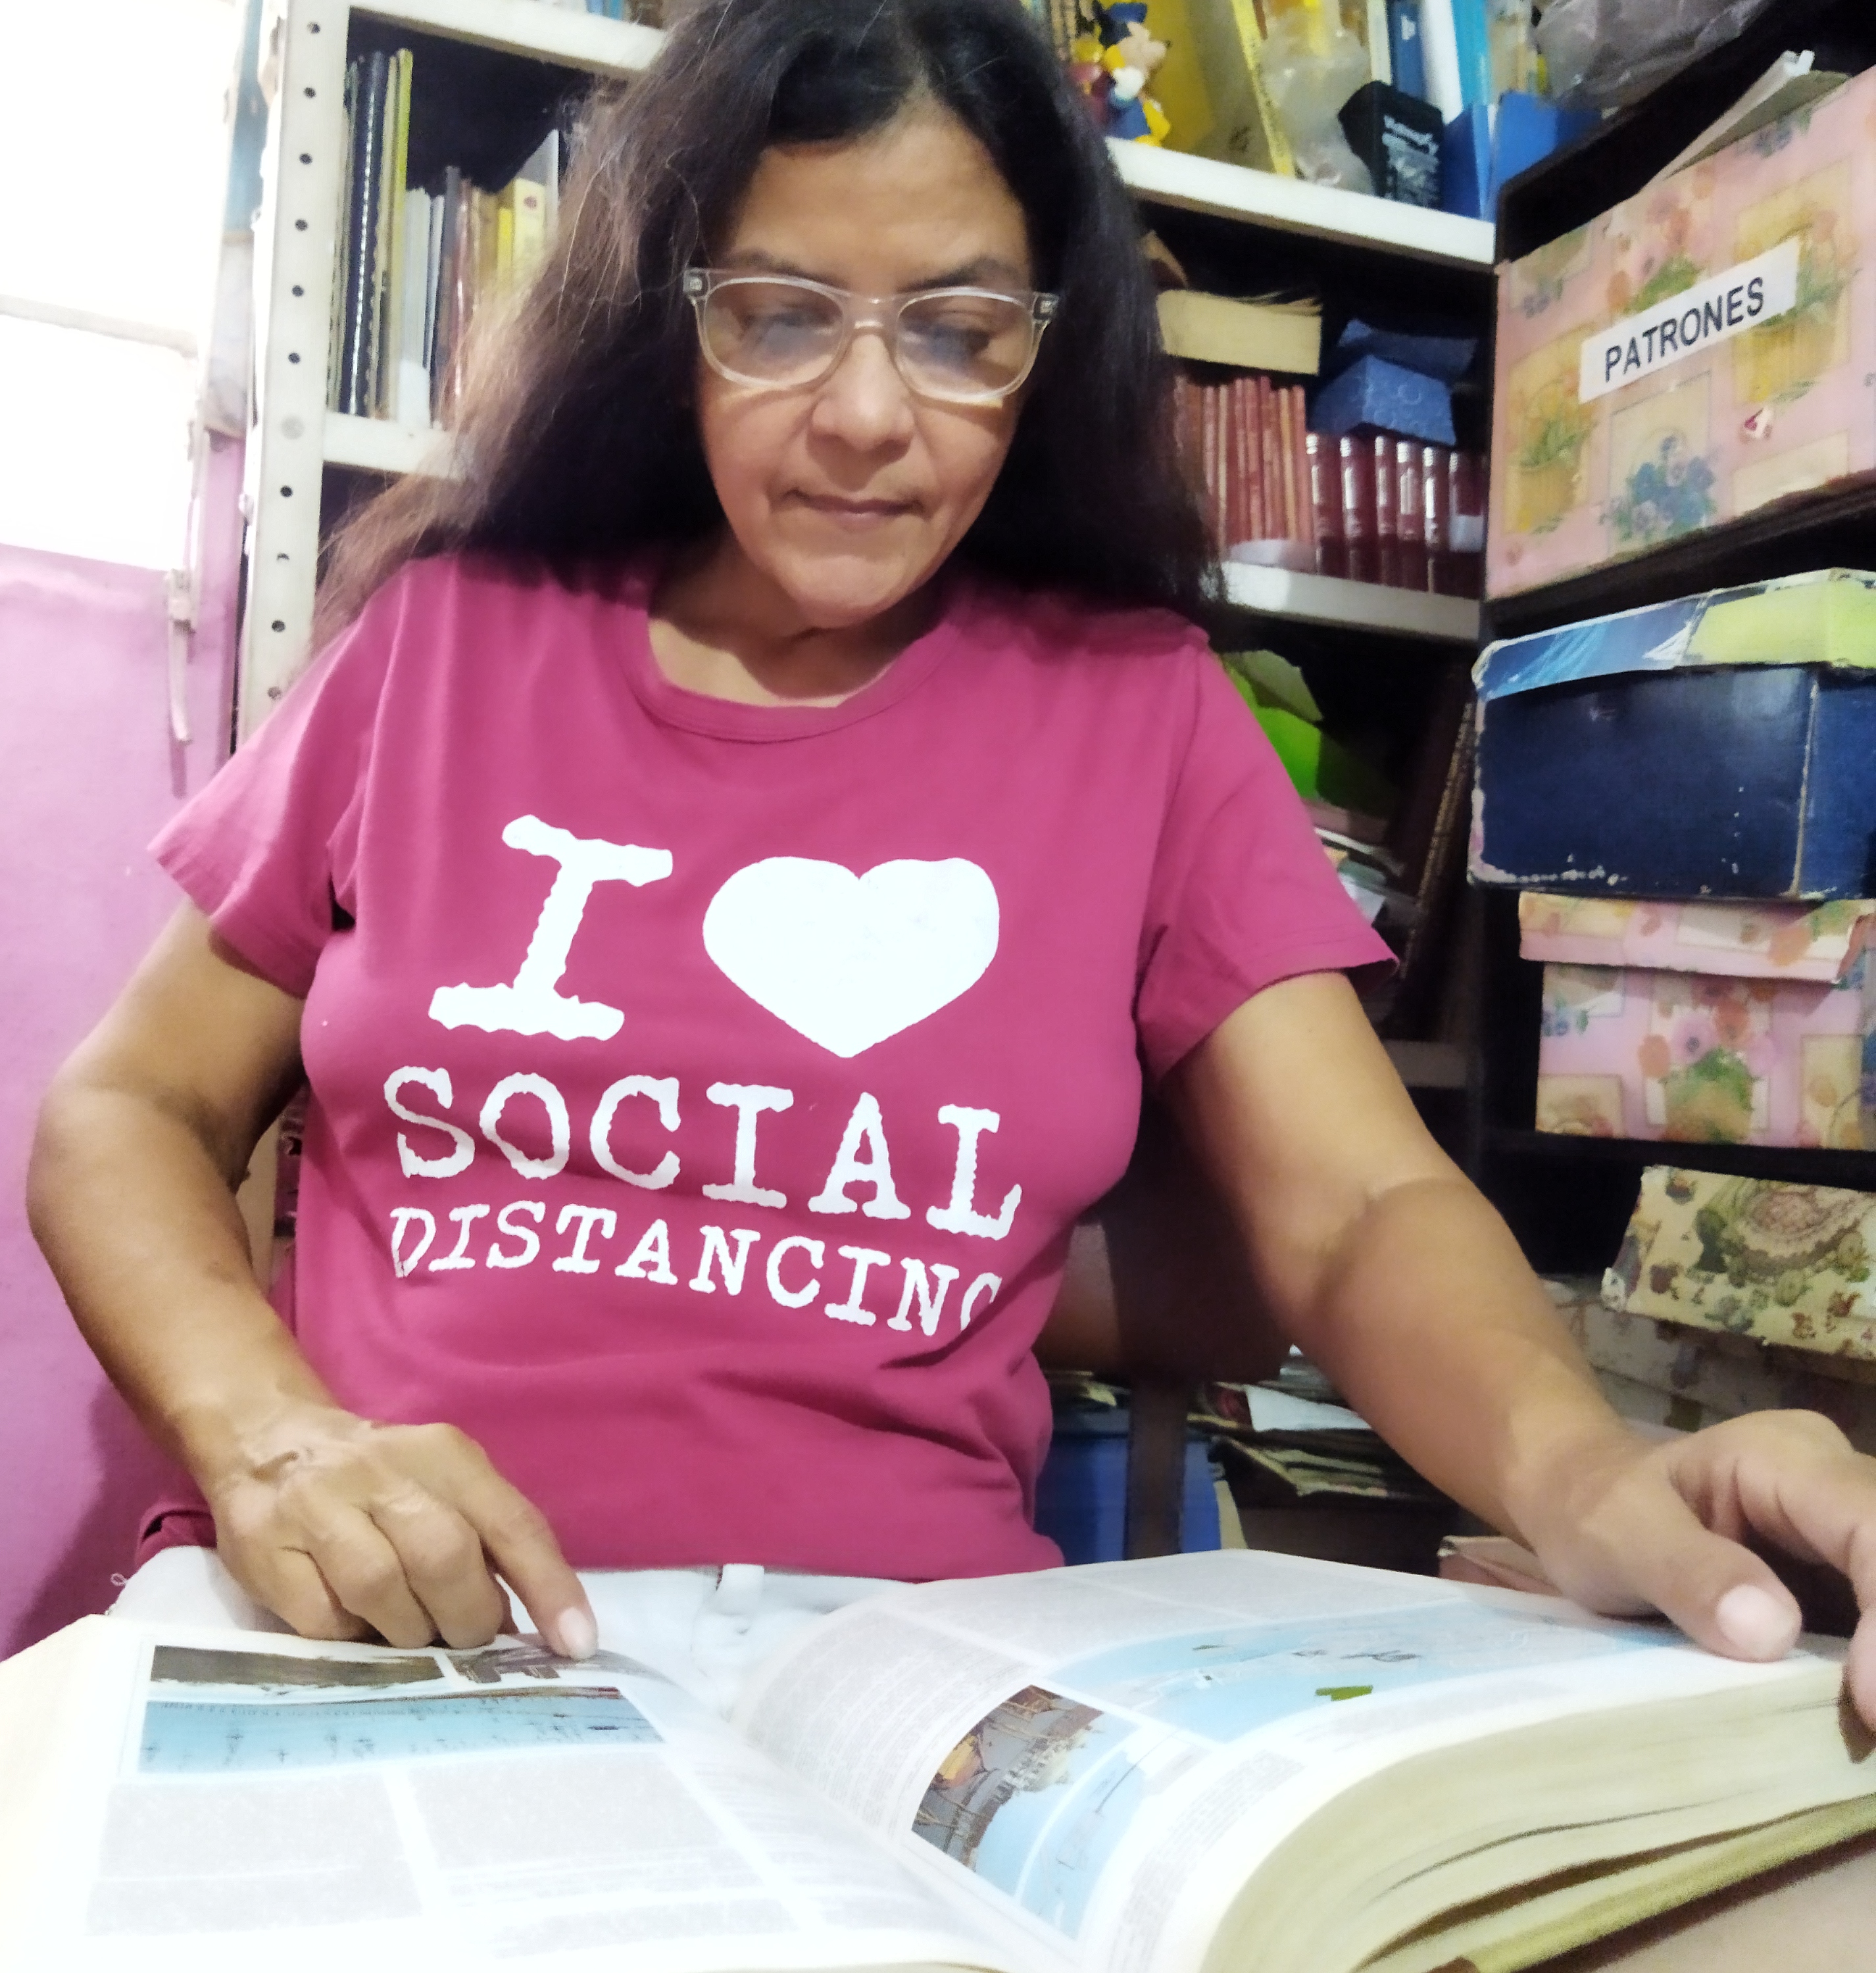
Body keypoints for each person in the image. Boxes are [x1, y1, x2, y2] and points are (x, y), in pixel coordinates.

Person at [26, 0, 1876, 1724]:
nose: (861, 413)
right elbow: (130, 1108)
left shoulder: (1142, 712)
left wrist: (1586, 1471)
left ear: (1046, 344)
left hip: (890, 1680)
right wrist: (271, 1438)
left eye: (956, 327)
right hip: (401, 1628)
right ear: (672, 319)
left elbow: (1359, 1206)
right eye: (777, 315)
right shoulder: (444, 649)